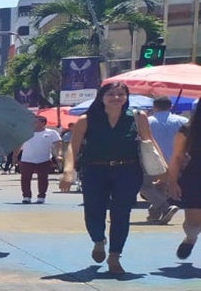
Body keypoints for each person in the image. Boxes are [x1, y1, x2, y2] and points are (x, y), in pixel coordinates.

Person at [60, 81, 159, 275]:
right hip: (95, 171)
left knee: (121, 214)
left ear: (126, 97)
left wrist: (162, 169)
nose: (116, 98)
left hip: (128, 170)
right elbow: (73, 146)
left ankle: (114, 256)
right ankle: (98, 240)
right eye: (111, 94)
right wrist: (68, 171)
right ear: (101, 97)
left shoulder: (138, 117)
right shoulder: (86, 119)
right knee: (93, 210)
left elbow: (149, 142)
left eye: (120, 94)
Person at [139, 95, 188, 224]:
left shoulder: (147, 121)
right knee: (162, 185)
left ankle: (163, 207)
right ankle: (155, 211)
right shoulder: (182, 121)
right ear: (170, 106)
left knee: (144, 185)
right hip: (177, 159)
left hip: (153, 159)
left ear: (154, 107)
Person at [161, 117, 200, 259]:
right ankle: (191, 238)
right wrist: (172, 182)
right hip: (195, 177)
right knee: (192, 224)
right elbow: (177, 156)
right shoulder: (188, 129)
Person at [14, 115, 62, 204]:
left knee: (43, 178)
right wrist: (15, 157)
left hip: (44, 160)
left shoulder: (52, 133)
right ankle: (26, 196)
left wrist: (58, 155)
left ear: (43, 123)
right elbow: (18, 145)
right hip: (27, 160)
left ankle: (41, 196)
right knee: (25, 178)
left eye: (35, 121)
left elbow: (58, 144)